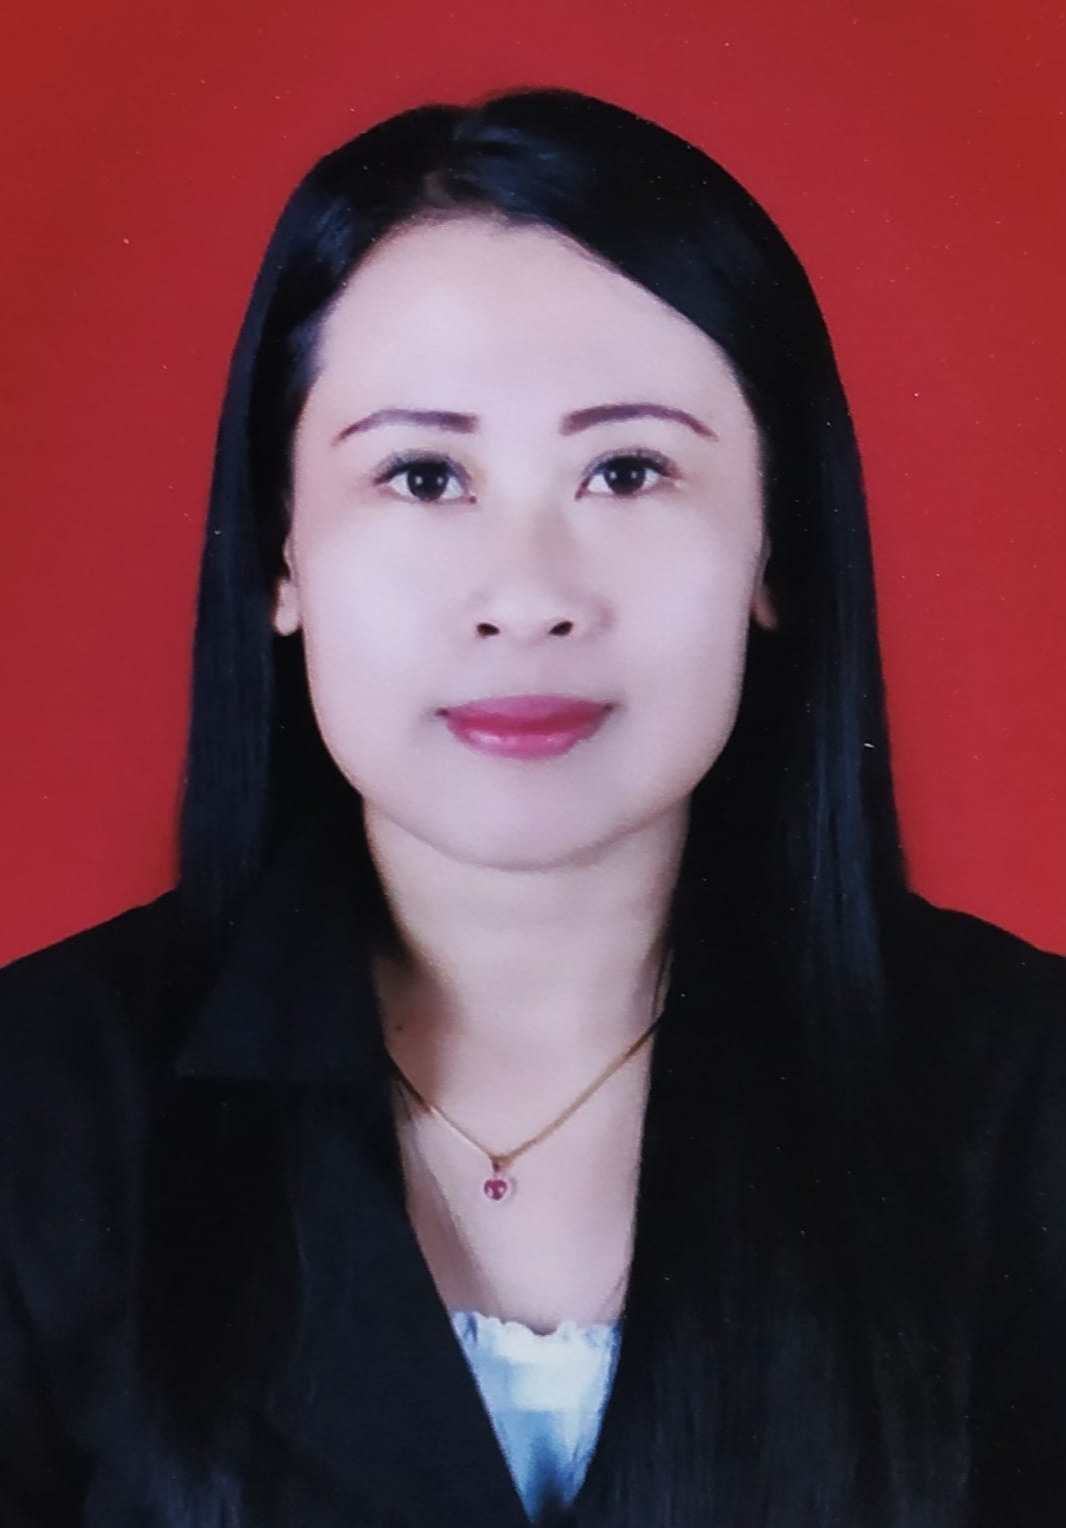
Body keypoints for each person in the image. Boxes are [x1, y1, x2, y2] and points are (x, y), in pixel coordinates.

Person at [0, 85, 1064, 1528]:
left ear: (772, 551)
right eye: (422, 474)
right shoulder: (39, 1106)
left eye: (626, 470)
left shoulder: (1026, 1095)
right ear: (281, 556)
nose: (527, 598)